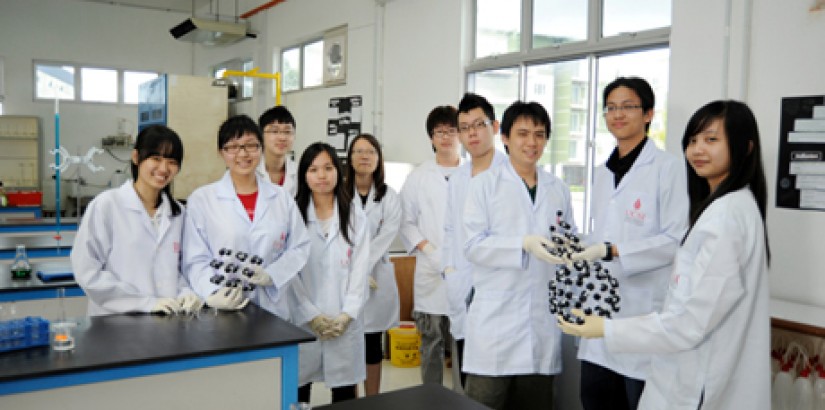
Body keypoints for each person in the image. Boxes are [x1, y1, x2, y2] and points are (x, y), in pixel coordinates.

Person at [559, 100, 771, 410]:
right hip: (657, 339)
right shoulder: (726, 207)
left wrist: (606, 327)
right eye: (693, 141)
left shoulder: (724, 216)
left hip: (693, 373)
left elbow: (689, 322)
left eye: (711, 140)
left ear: (745, 147)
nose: (698, 150)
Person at [570, 77, 689, 410]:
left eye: (627, 107)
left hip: (642, 316)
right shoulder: (601, 173)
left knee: (636, 401)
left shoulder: (669, 170)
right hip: (599, 313)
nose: (617, 114)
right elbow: (598, 234)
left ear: (648, 113)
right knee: (593, 400)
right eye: (611, 108)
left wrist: (613, 251)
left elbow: (675, 239)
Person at [462, 101, 572, 410]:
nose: (532, 142)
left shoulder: (557, 188)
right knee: (483, 402)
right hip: (496, 324)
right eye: (523, 133)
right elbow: (473, 246)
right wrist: (521, 244)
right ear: (505, 138)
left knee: (535, 403)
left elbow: (567, 237)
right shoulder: (484, 186)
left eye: (539, 134)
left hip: (541, 321)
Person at [182, 115, 310, 315]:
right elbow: (194, 258)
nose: (243, 153)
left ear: (261, 149)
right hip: (223, 307)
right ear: (221, 152)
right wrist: (212, 291)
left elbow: (300, 247)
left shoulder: (281, 198)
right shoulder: (202, 199)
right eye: (233, 147)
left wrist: (272, 275)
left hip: (272, 306)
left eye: (251, 145)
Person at [72, 125, 202, 316]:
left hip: (166, 319)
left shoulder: (178, 213)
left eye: (172, 161)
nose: (164, 168)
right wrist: (144, 303)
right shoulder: (107, 206)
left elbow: (178, 270)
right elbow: (87, 272)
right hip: (115, 321)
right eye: (156, 159)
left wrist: (186, 293)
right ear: (136, 157)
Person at [289, 142, 370, 404]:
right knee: (299, 389)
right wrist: (311, 315)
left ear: (340, 171)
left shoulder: (355, 216)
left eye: (328, 168)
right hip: (302, 321)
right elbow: (289, 273)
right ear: (303, 175)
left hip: (344, 320)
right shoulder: (293, 216)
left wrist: (347, 314)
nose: (321, 176)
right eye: (313, 169)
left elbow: (360, 269)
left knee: (345, 392)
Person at [441, 92, 508, 389]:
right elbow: (449, 231)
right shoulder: (457, 179)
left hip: (501, 291)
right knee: (468, 380)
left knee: (500, 382)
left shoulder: (511, 174)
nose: (472, 133)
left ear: (494, 127)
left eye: (478, 125)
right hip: (463, 286)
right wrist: (449, 271)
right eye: (465, 127)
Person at [399, 105, 462, 386]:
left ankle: (465, 400)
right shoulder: (418, 177)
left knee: (464, 342)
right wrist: (427, 249)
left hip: (465, 268)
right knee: (432, 340)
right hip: (430, 271)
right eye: (440, 132)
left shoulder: (474, 173)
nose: (446, 137)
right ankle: (432, 399)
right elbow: (406, 221)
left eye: (452, 131)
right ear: (431, 137)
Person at [345, 133, 402, 396]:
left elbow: (388, 233)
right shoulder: (340, 193)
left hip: (377, 277)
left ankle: (373, 400)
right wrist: (355, 268)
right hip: (344, 276)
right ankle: (352, 399)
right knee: (349, 343)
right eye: (358, 151)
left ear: (378, 159)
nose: (364, 156)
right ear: (350, 158)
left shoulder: (389, 196)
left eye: (370, 152)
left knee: (372, 343)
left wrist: (364, 265)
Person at [258, 105, 298, 196]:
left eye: (287, 132)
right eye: (274, 131)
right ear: (260, 136)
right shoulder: (251, 172)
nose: (282, 138)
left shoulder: (300, 173)